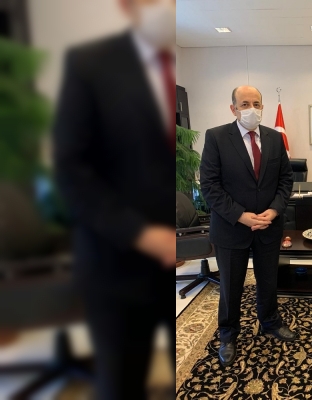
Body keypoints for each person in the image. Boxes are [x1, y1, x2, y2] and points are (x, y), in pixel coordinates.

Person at [53, 0, 177, 398]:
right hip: (117, 264)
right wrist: (142, 235)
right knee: (122, 384)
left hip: (175, 261)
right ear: (127, 5)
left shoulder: (179, 66)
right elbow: (71, 170)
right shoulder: (89, 64)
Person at [200, 85, 296, 367]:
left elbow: (286, 180)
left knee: (268, 280)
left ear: (262, 107)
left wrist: (274, 210)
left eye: (256, 103)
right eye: (244, 104)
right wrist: (241, 215)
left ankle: (270, 321)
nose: (251, 109)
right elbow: (209, 186)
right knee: (231, 286)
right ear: (233, 108)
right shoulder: (216, 137)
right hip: (231, 228)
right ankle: (228, 334)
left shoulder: (275, 138)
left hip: (268, 226)